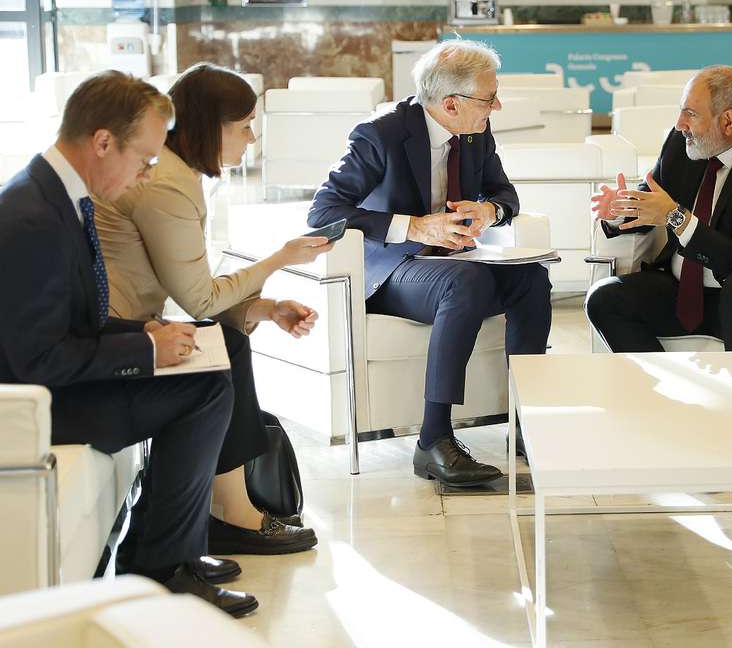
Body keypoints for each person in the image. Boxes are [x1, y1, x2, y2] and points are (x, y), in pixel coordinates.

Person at [0, 70, 256, 616]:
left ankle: (163, 554)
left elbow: (72, 324)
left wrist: (142, 333)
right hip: (37, 402)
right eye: (144, 157)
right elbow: (38, 359)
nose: (148, 172)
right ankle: (161, 568)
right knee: (203, 388)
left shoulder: (56, 195)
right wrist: (145, 352)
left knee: (209, 366)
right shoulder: (32, 217)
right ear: (102, 142)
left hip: (49, 383)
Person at [94, 63, 328, 560]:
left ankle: (229, 511)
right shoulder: (167, 184)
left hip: (126, 326)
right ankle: (231, 514)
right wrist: (282, 258)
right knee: (224, 348)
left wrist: (265, 307)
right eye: (244, 126)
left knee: (229, 344)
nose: (251, 139)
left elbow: (191, 290)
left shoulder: (173, 175)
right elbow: (199, 300)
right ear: (209, 127)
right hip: (116, 335)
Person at [307, 40, 551, 487]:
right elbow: (323, 212)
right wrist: (415, 227)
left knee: (532, 278)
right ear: (451, 103)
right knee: (466, 280)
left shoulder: (475, 133)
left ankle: (526, 420)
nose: (496, 106)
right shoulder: (380, 135)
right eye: (489, 97)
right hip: (393, 270)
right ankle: (433, 439)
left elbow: (505, 194)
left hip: (456, 265)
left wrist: (488, 211)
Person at [585, 65, 732, 378]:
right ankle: (666, 392)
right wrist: (620, 210)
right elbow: (653, 198)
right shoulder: (681, 144)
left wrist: (677, 218)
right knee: (604, 298)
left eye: (690, 114)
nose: (680, 124)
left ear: (728, 121)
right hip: (681, 292)